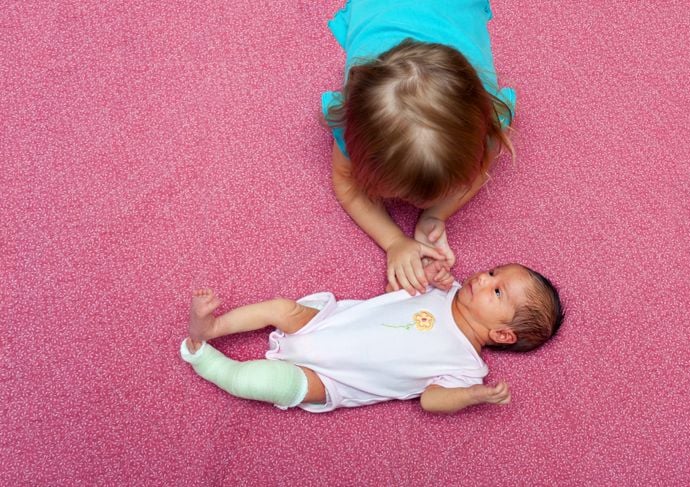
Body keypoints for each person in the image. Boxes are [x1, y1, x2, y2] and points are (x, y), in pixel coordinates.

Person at [179, 262, 563, 414]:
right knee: (281, 308)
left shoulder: (466, 368)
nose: (484, 279)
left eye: (497, 292)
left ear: (500, 333)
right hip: (328, 324)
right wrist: (431, 273)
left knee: (265, 382)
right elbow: (402, 280)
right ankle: (211, 328)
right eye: (494, 272)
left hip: (336, 381)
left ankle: (207, 360)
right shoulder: (446, 290)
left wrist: (472, 396)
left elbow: (431, 400)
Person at [322, 1, 516, 295]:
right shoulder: (349, 124)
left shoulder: (491, 120)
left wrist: (436, 214)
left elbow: (480, 170)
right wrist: (393, 241)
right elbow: (346, 184)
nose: (413, 204)